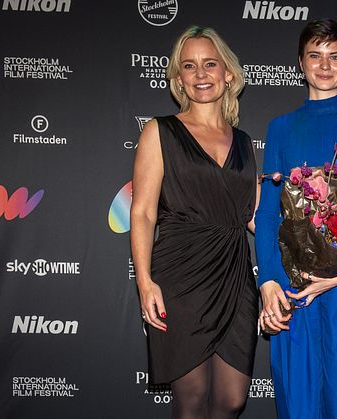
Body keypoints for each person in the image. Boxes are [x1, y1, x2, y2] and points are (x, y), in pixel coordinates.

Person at [255, 19, 337, 419]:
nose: (324, 65)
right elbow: (269, 211)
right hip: (292, 287)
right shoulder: (281, 128)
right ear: (300, 63)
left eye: (334, 56)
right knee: (298, 404)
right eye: (315, 55)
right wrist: (269, 281)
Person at [130, 26, 258, 419]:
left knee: (232, 400)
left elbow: (254, 216)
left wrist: (314, 239)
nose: (201, 74)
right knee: (191, 398)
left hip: (235, 276)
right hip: (180, 275)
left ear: (228, 74)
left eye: (210, 64)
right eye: (190, 66)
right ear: (178, 79)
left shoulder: (244, 141)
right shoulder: (159, 131)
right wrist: (145, 280)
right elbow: (144, 212)